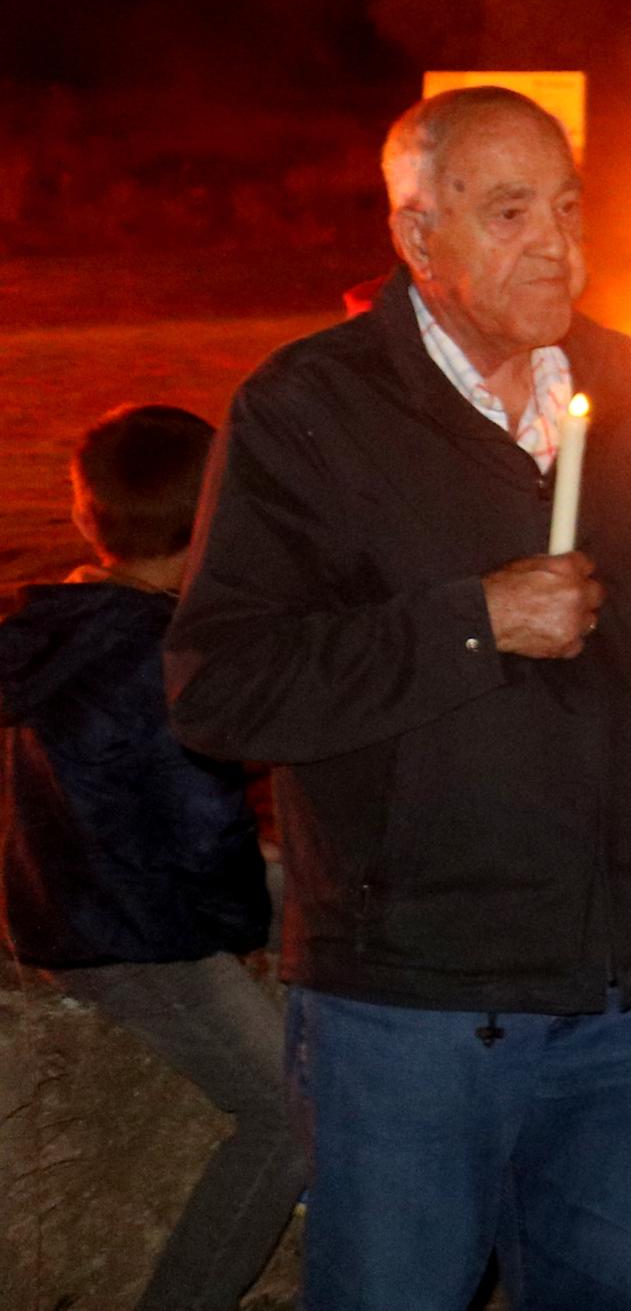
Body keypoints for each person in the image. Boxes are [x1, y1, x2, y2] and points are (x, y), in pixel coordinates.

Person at [169, 88, 631, 1311]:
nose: (557, 240)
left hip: (630, 976)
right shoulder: (309, 411)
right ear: (417, 235)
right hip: (418, 999)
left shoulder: (627, 383)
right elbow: (220, 686)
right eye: (509, 211)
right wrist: (472, 621)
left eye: (566, 203)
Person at [4, 405, 305, 1311]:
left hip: (62, 897)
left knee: (332, 889)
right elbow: (202, 829)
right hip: (137, 937)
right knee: (292, 1118)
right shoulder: (164, 654)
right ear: (215, 519)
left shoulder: (58, 622)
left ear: (88, 515)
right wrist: (242, 933)